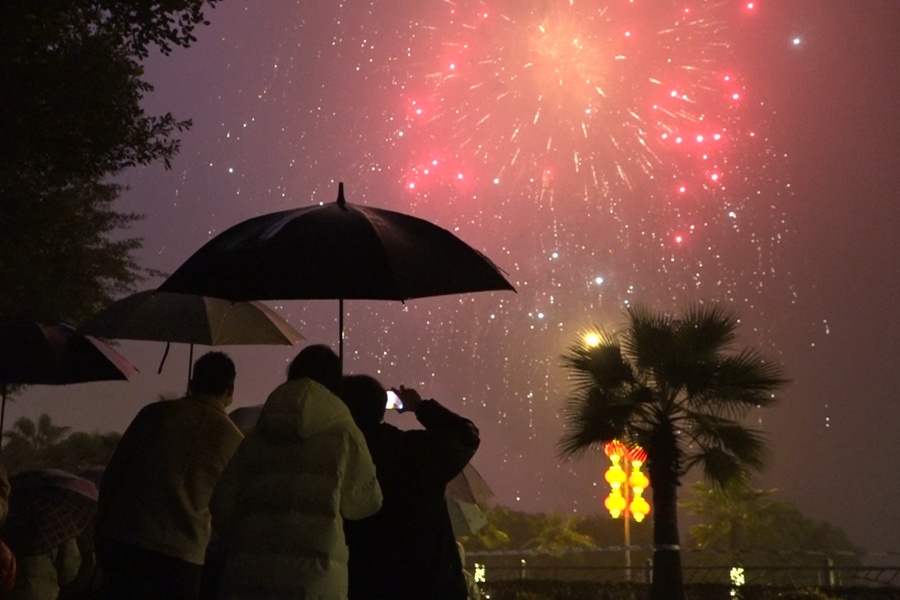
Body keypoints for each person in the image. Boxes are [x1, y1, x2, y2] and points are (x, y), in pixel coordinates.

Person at [210, 344, 382, 600]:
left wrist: (244, 542)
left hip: (250, 577)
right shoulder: (345, 432)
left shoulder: (257, 435)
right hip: (314, 582)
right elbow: (363, 503)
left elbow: (222, 501)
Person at [93, 351, 244, 600]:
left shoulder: (154, 415)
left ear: (193, 382)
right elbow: (228, 508)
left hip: (130, 542)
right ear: (230, 388)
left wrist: (102, 532)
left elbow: (115, 475)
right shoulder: (234, 440)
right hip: (184, 558)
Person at [341, 374, 480, 600]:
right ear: (380, 409)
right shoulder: (413, 451)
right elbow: (466, 435)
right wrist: (419, 407)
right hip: (428, 584)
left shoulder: (332, 458)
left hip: (363, 585)